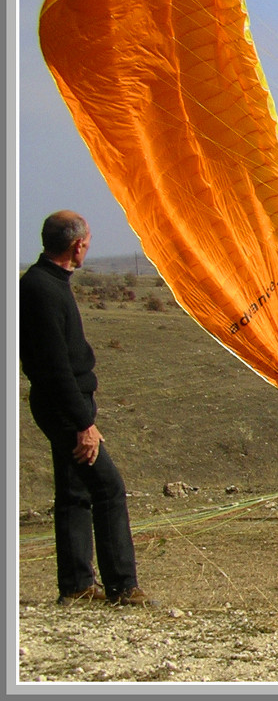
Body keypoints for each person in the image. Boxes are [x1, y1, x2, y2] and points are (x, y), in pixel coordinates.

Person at [19, 211, 150, 606]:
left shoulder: (47, 283)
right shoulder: (41, 288)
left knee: (75, 491)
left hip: (68, 403)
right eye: (89, 239)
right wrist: (83, 424)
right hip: (63, 405)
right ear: (78, 245)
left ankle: (76, 585)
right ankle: (122, 587)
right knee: (108, 488)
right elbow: (54, 367)